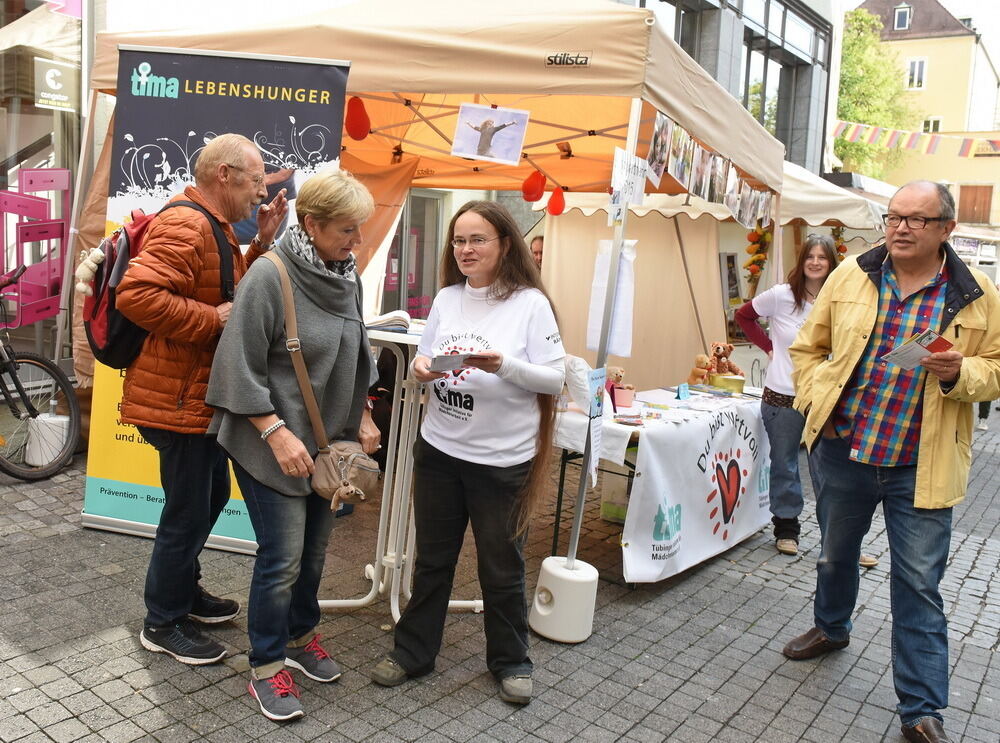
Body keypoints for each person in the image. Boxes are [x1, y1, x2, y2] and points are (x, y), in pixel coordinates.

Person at [783, 181, 1000, 743]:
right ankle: (831, 627)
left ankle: (922, 708)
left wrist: (961, 373)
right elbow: (808, 347)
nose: (901, 227)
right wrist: (816, 404)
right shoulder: (852, 273)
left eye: (918, 220)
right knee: (834, 555)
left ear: (947, 229)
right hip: (844, 451)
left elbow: (996, 367)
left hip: (920, 466)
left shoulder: (978, 294)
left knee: (918, 584)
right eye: (894, 216)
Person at [370, 200, 565, 705]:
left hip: (503, 462)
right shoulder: (447, 298)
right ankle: (414, 652)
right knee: (432, 559)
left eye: (477, 239)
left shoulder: (529, 304)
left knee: (501, 565)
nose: (465, 249)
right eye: (458, 240)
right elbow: (425, 360)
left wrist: (503, 366)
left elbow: (554, 377)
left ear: (504, 244)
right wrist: (421, 371)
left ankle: (511, 660)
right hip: (439, 451)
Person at [206, 168, 380, 721]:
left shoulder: (345, 275)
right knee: (280, 559)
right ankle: (264, 664)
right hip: (269, 442)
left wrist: (366, 414)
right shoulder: (269, 275)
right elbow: (237, 367)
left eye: (359, 230)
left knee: (315, 553)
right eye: (347, 230)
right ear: (311, 224)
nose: (357, 242)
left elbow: (357, 350)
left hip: (327, 447)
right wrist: (276, 434)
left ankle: (302, 637)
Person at [117, 133, 287, 666]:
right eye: (256, 181)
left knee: (206, 500)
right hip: (175, 399)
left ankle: (183, 594)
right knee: (189, 511)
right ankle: (162, 621)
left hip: (195, 399)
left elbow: (223, 288)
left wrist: (258, 245)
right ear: (225, 175)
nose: (261, 193)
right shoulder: (188, 223)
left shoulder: (214, 226)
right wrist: (209, 320)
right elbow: (136, 296)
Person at [735, 235, 838, 556]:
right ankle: (787, 529)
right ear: (802, 260)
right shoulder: (782, 296)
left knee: (831, 469)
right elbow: (744, 316)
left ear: (832, 262)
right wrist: (769, 347)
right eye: (811, 256)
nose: (816, 262)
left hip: (824, 398)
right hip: (782, 396)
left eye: (823, 257)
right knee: (785, 464)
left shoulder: (840, 300)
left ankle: (837, 538)